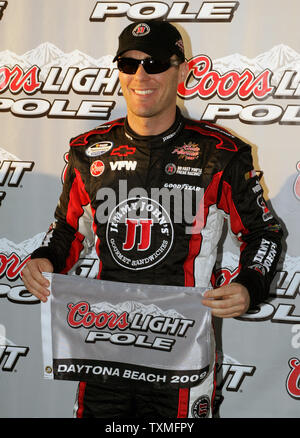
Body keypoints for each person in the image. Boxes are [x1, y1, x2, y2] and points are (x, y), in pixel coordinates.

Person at [22, 20, 282, 418]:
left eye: (156, 62)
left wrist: (252, 282)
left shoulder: (220, 153)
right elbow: (68, 229)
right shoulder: (88, 151)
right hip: (101, 348)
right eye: (128, 64)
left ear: (183, 70)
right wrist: (45, 257)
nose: (141, 75)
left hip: (182, 350)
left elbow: (264, 233)